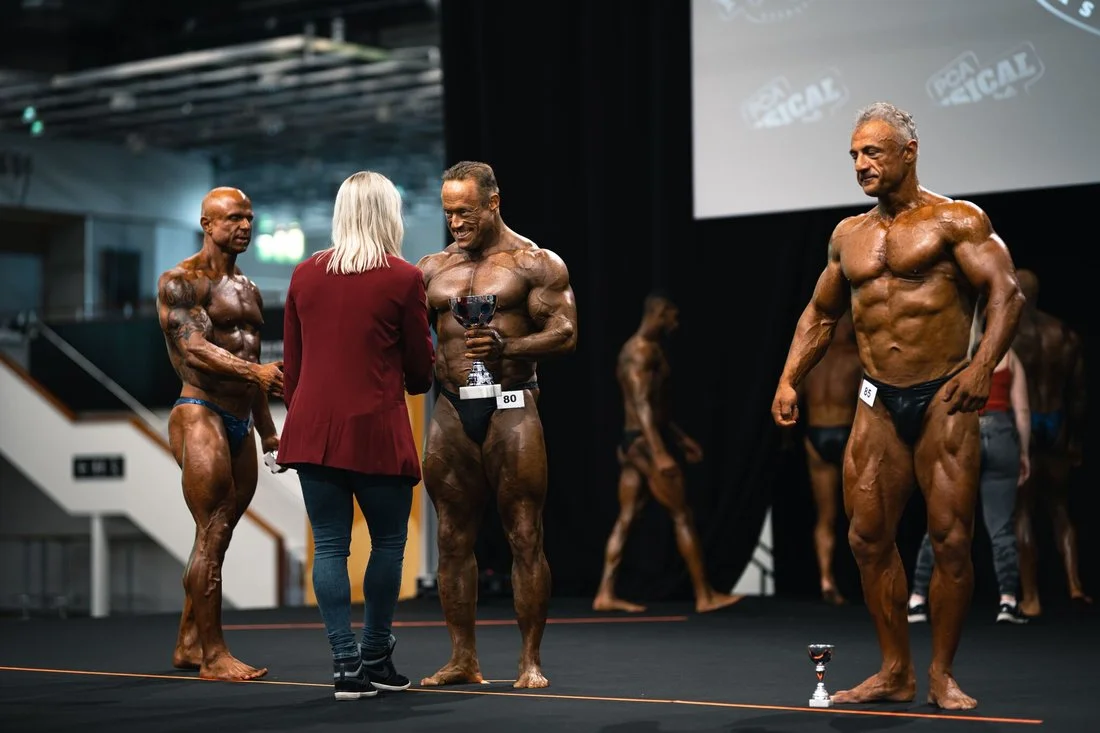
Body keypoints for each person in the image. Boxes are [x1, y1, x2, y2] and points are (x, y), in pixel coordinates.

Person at [771, 102, 1023, 710]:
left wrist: (981, 366)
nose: (861, 164)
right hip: (877, 399)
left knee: (952, 539)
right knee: (866, 537)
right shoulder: (848, 236)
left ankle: (940, 674)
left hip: (943, 396)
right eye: (854, 154)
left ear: (909, 152)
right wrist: (788, 380)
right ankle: (894, 671)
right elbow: (821, 313)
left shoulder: (956, 220)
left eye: (872, 152)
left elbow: (1006, 293)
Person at [417, 161, 578, 689]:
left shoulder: (535, 262)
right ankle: (462, 658)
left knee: (525, 533)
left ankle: (530, 661)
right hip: (450, 407)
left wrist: (510, 346)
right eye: (448, 212)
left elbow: (565, 332)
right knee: (451, 537)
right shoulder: (431, 268)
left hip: (511, 402)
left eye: (465, 211)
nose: (456, 222)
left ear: (493, 203)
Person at [277, 171, 435, 700]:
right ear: (390, 214)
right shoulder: (404, 278)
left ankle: (345, 666)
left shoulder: (304, 274)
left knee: (329, 545)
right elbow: (420, 369)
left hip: (312, 429)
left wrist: (302, 419)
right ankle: (375, 655)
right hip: (375, 429)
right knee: (388, 542)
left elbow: (293, 367)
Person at [157, 187, 285, 681]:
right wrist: (256, 375)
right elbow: (193, 348)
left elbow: (251, 363)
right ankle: (214, 656)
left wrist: (268, 431)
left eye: (249, 217)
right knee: (211, 531)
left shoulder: (250, 289)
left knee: (218, 535)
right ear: (207, 224)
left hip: (241, 420)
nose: (244, 226)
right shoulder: (181, 282)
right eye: (233, 218)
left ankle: (189, 642)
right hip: (200, 411)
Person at [592, 293, 741, 614]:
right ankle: (705, 595)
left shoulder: (648, 349)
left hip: (635, 441)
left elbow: (656, 407)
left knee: (627, 517)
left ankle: (605, 593)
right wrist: (660, 452)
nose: (676, 323)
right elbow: (642, 405)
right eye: (673, 316)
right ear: (659, 313)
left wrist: (680, 438)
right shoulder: (640, 352)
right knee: (681, 514)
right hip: (645, 444)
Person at [908, 313, 1032, 625]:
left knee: (943, 520)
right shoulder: (1009, 356)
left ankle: (917, 599)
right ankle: (1008, 602)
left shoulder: (955, 355)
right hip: (1001, 436)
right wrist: (1024, 452)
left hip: (964, 435)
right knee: (1001, 525)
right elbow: (1022, 410)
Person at [1011, 269, 1089, 617]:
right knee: (1060, 509)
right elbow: (1079, 395)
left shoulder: (1009, 334)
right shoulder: (1064, 333)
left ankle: (1031, 597)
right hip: (1056, 420)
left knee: (1023, 511)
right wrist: (1074, 438)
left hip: (1024, 423)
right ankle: (1074, 584)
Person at [799, 309, 861, 606]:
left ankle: (826, 579)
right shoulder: (856, 359)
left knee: (826, 516)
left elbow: (794, 400)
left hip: (815, 435)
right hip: (845, 433)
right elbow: (867, 402)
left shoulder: (811, 361)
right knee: (861, 514)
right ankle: (867, 579)